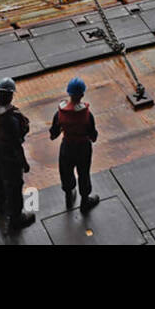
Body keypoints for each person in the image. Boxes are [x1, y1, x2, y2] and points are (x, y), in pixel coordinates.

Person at [0, 77, 34, 232]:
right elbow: (16, 144)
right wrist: (24, 162)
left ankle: (0, 204)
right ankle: (16, 217)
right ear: (10, 96)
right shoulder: (10, 119)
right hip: (9, 153)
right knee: (14, 183)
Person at [48, 77, 99, 213]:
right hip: (83, 147)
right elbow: (93, 136)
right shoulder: (88, 115)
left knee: (66, 171)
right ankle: (85, 202)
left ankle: (69, 196)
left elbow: (53, 134)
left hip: (67, 147)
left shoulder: (59, 113)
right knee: (84, 173)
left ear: (69, 93)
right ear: (82, 94)